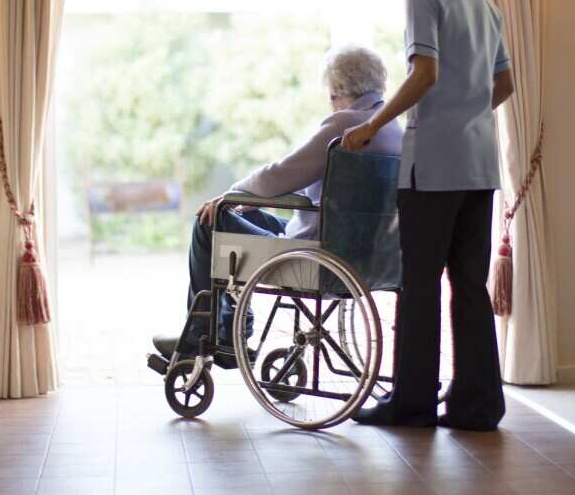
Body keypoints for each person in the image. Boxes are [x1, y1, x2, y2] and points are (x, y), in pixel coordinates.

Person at [341, 0, 514, 431]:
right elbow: (504, 84)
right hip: (479, 164)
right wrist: (468, 116)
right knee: (468, 283)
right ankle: (478, 404)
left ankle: (412, 402)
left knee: (419, 284)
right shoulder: (483, 1)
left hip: (433, 167)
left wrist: (372, 124)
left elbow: (426, 71)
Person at [153, 45, 403, 361]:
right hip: (366, 255)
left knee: (211, 219)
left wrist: (233, 195)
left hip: (317, 256)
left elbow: (282, 174)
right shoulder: (394, 130)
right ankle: (228, 331)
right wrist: (248, 204)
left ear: (337, 89)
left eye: (330, 91)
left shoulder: (343, 126)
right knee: (252, 217)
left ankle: (203, 337)